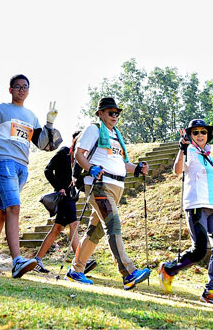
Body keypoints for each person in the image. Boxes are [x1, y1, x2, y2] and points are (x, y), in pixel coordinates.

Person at [0, 74, 61, 278]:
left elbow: (42, 145)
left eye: (25, 87)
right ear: (10, 89)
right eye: (18, 86)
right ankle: (17, 261)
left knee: (2, 213)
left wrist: (48, 124)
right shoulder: (2, 108)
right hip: (4, 162)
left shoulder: (31, 116)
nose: (22, 90)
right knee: (14, 207)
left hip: (23, 168)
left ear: (29, 91)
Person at [67, 97, 151, 290]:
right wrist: (91, 168)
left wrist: (137, 168)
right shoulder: (93, 129)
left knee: (95, 231)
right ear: (100, 113)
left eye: (117, 113)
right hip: (100, 186)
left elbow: (121, 165)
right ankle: (128, 273)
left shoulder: (116, 136)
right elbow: (80, 154)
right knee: (113, 224)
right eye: (110, 112)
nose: (114, 116)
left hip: (116, 187)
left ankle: (75, 271)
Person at [157, 119, 213, 306]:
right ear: (190, 135)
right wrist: (182, 149)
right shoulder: (190, 151)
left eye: (203, 132)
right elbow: (178, 170)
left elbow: (211, 180)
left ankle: (211, 291)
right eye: (195, 132)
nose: (200, 135)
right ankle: (169, 269)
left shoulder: (208, 156)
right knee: (200, 250)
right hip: (196, 205)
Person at [32, 131, 82, 273]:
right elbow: (48, 170)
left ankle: (37, 260)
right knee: (73, 225)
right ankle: (80, 261)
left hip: (70, 197)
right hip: (63, 197)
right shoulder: (64, 152)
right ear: (74, 141)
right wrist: (59, 187)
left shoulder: (78, 158)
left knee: (57, 229)